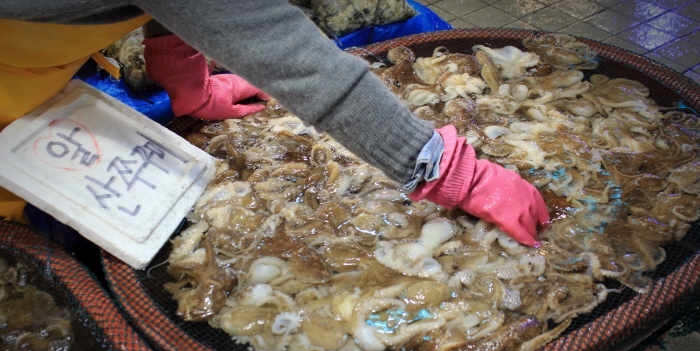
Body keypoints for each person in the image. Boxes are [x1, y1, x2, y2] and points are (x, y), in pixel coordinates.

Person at [0, 0, 549, 247]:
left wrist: (187, 82)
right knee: (30, 218)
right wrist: (452, 172)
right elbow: (305, 66)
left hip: (36, 57)